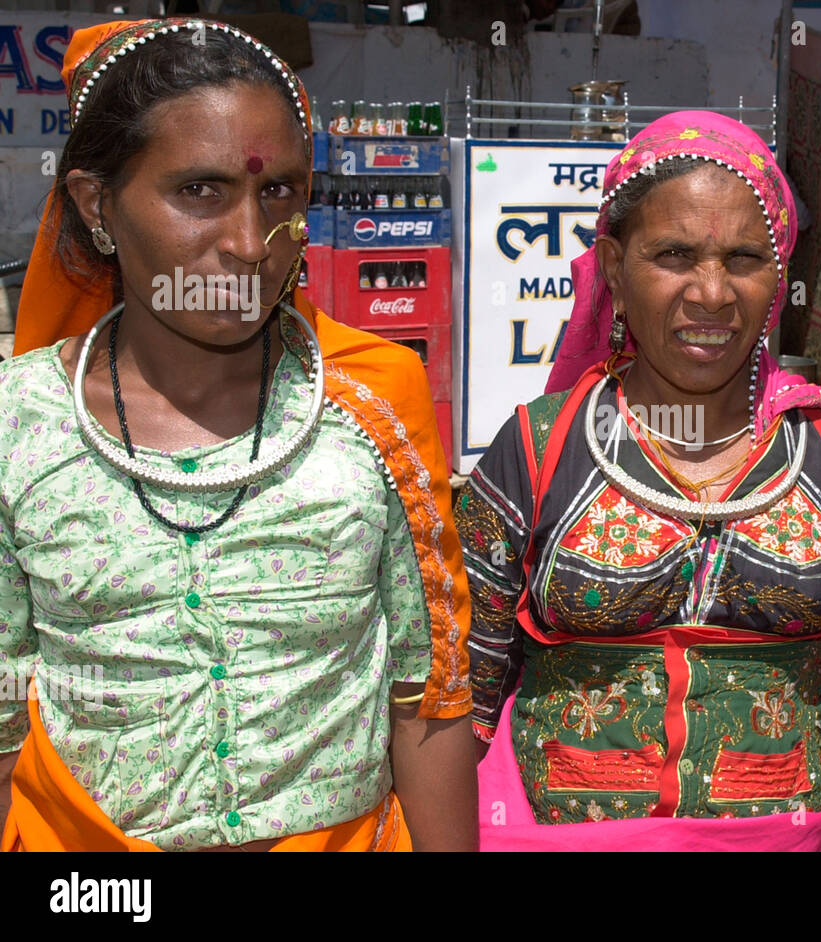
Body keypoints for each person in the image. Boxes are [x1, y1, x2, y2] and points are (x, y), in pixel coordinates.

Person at [0, 18, 477, 851]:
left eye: (281, 192)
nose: (253, 245)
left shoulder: (372, 405)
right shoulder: (18, 424)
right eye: (200, 192)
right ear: (95, 202)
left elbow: (427, 699)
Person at [456, 111, 821, 851]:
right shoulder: (538, 446)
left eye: (744, 258)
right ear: (613, 266)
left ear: (780, 276)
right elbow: (460, 710)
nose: (712, 293)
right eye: (674, 254)